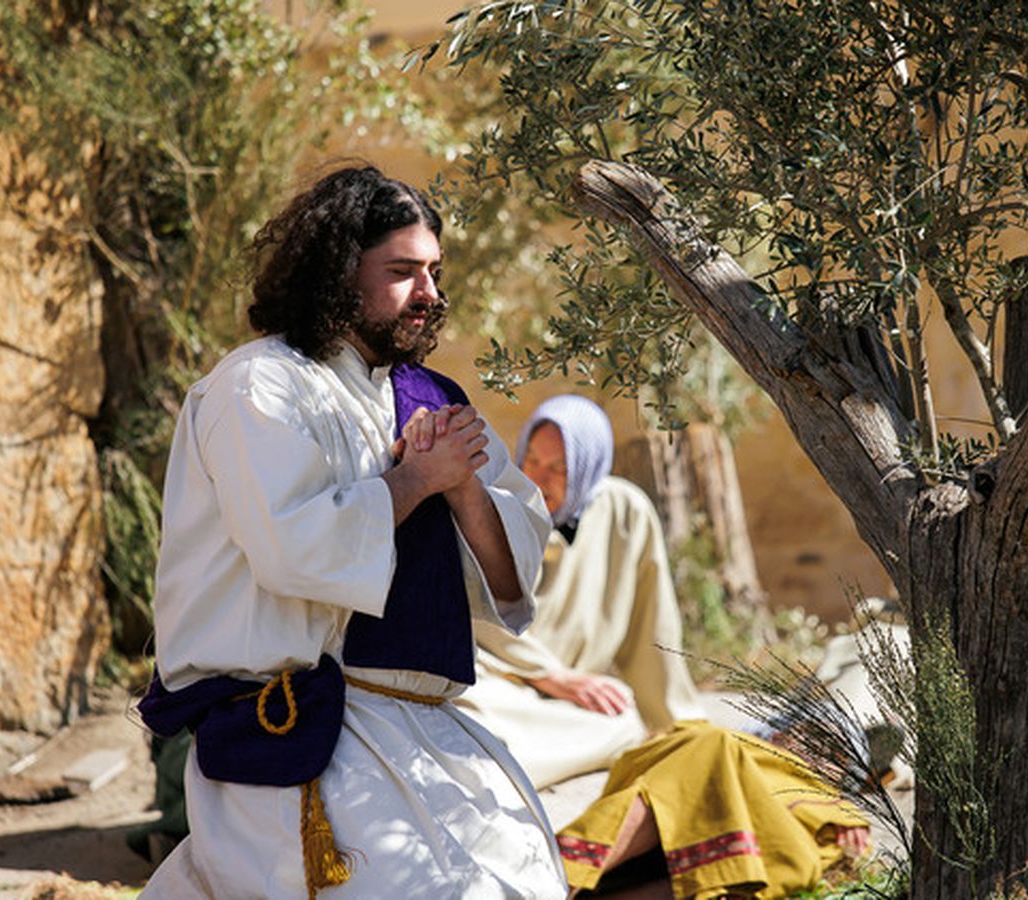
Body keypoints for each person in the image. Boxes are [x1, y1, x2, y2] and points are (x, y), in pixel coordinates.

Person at [134, 165, 565, 898]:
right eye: (401, 272)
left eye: (434, 272)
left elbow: (512, 581)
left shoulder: (433, 398)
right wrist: (414, 481)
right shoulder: (260, 386)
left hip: (429, 725)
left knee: (526, 881)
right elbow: (293, 548)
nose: (429, 294)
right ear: (337, 273)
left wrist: (461, 484)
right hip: (306, 724)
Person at [453, 395, 707, 788]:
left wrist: (676, 723)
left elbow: (651, 626)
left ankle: (504, 766)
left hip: (571, 701)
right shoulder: (497, 507)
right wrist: (549, 675)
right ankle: (497, 765)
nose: (538, 478)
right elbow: (480, 617)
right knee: (469, 715)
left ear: (589, 468)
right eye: (532, 460)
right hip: (503, 684)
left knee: (625, 719)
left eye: (558, 467)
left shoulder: (626, 512)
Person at [555, 721, 871, 899]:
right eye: (816, 736)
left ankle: (565, 882)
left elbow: (840, 859)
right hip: (674, 810)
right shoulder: (736, 742)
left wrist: (841, 812)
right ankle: (561, 878)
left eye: (840, 757)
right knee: (707, 748)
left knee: (769, 863)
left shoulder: (831, 805)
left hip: (752, 858)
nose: (822, 753)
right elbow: (665, 743)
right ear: (779, 734)